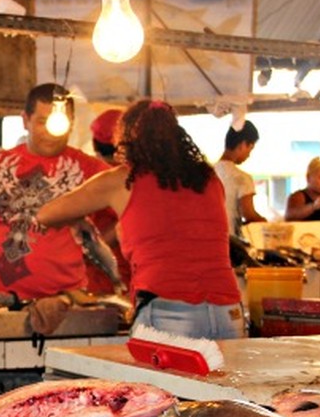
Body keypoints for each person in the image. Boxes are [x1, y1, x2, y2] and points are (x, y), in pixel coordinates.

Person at [35, 100, 246, 340]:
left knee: (155, 380)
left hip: (168, 311)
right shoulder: (208, 178)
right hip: (228, 311)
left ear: (127, 138)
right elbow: (174, 229)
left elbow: (46, 215)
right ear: (176, 134)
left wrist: (78, 220)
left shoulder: (123, 179)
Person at [0, 83, 110, 300]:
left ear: (71, 123)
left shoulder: (89, 168)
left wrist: (100, 245)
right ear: (25, 120)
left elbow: (134, 202)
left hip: (67, 299)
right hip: (1, 300)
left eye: (59, 123)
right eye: (42, 122)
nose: (51, 133)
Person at [214, 120, 266, 236]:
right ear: (243, 145)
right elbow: (248, 213)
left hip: (210, 239)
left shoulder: (207, 172)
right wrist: (266, 223)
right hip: (231, 241)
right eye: (250, 149)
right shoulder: (242, 178)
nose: (249, 155)